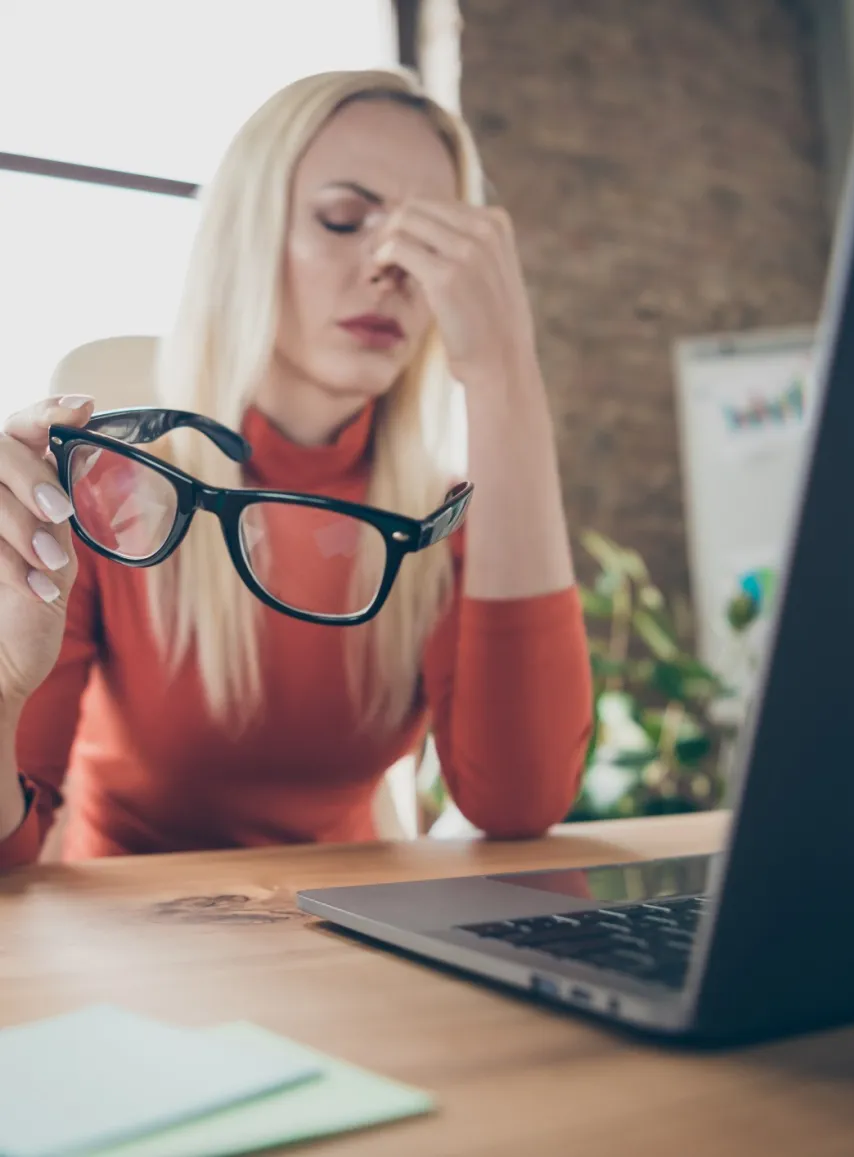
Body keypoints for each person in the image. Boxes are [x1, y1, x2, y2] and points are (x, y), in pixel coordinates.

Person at [0, 68, 593, 868]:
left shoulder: (436, 523)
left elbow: (519, 802)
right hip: (132, 937)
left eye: (430, 242)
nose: (393, 266)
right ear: (244, 240)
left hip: (353, 939)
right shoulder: (110, 495)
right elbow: (12, 844)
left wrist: (504, 370)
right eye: (345, 219)